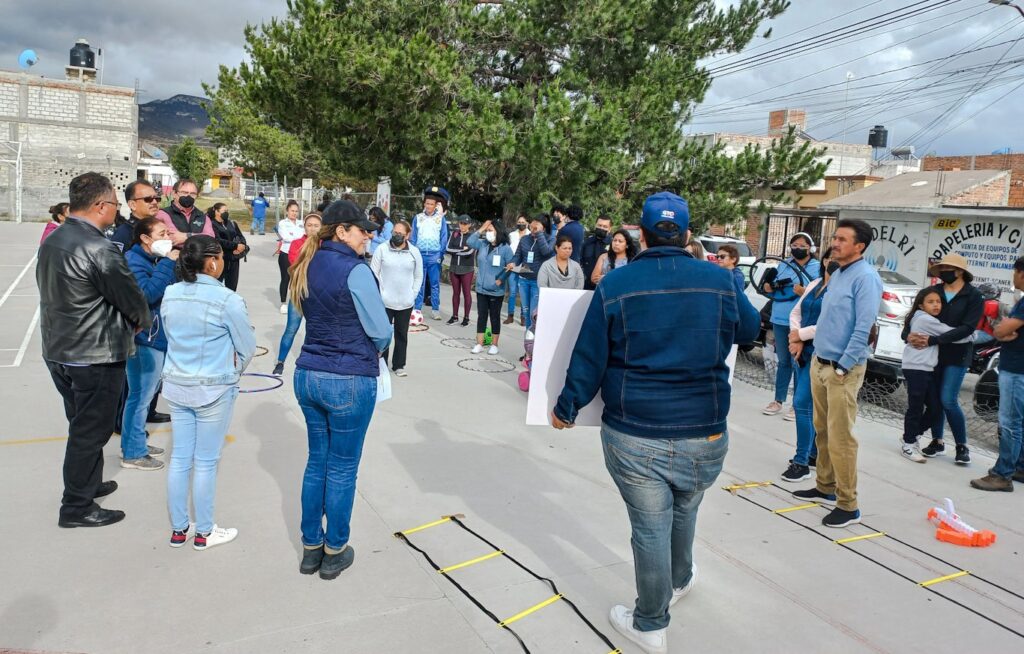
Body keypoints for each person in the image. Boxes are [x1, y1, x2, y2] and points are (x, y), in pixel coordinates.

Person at [551, 191, 759, 654]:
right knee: (685, 509)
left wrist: (566, 408)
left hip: (635, 432)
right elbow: (748, 331)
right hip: (705, 430)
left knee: (650, 527)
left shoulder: (618, 285)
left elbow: (590, 356)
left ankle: (650, 623)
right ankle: (679, 579)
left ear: (640, 235)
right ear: (687, 235)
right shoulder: (718, 280)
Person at [39, 172, 151, 528]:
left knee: (81, 422)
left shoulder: (54, 239)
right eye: (116, 205)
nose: (116, 212)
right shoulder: (99, 248)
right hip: (94, 353)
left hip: (59, 348)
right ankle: (76, 507)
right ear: (101, 206)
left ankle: (86, 483)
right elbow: (131, 297)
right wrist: (141, 320)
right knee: (91, 430)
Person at [288, 200, 392, 579]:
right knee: (343, 468)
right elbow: (381, 330)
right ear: (341, 231)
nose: (369, 234)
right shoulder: (355, 270)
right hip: (347, 377)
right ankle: (335, 549)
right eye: (361, 229)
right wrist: (376, 349)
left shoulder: (305, 263)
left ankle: (311, 546)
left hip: (309, 373)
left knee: (318, 462)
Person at [162, 235, 256, 550]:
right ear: (213, 261)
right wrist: (233, 371)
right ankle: (203, 531)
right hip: (213, 387)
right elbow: (247, 346)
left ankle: (179, 529)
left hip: (177, 384)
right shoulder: (227, 299)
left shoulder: (171, 293)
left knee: (180, 458)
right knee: (204, 462)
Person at [792, 219, 882, 529]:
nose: (835, 242)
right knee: (823, 430)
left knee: (842, 438)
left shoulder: (866, 278)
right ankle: (825, 487)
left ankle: (848, 504)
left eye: (842, 239)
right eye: (835, 237)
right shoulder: (838, 273)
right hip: (821, 362)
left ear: (860, 246)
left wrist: (844, 364)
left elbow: (863, 326)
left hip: (843, 369)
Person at [906, 253, 983, 465]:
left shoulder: (973, 296)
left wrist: (935, 340)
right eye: (941, 269)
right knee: (935, 402)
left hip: (957, 355)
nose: (943, 273)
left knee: (948, 399)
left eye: (948, 269)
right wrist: (909, 337)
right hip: (931, 356)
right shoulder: (933, 292)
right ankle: (937, 441)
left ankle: (961, 445)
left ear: (960, 271)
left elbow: (968, 328)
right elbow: (912, 320)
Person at [120, 217, 180, 472]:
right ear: (145, 238)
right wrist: (168, 262)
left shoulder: (149, 259)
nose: (167, 237)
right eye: (161, 233)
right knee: (140, 396)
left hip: (155, 336)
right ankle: (133, 452)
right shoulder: (135, 261)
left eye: (168, 232)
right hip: (145, 338)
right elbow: (146, 295)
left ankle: (135, 443)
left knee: (144, 393)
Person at [781, 247, 837, 482]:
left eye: (837, 257)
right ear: (823, 260)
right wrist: (796, 337)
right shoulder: (815, 284)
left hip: (821, 353)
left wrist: (799, 336)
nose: (832, 261)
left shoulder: (840, 290)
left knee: (802, 404)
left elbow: (828, 323)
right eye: (829, 257)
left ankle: (801, 461)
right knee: (809, 407)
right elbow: (795, 312)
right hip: (802, 351)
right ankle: (812, 454)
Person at [900, 288, 972, 464]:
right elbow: (950, 334)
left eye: (938, 302)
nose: (936, 305)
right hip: (917, 368)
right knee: (916, 407)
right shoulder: (925, 320)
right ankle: (909, 444)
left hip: (925, 368)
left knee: (936, 407)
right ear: (921, 305)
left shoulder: (923, 318)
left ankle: (911, 435)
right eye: (931, 302)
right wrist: (973, 334)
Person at [971, 256, 1024, 491]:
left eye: (1015, 271)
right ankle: (1019, 466)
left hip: (1016, 368)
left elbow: (1001, 329)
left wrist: (1004, 330)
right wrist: (1005, 332)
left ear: (1021, 273)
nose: (1013, 277)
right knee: (1019, 421)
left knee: (1010, 422)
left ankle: (1002, 474)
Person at [763, 233, 822, 420]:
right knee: (784, 362)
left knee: (799, 362)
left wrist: (804, 291)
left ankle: (797, 405)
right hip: (779, 318)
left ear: (811, 248)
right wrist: (770, 286)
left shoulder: (817, 267)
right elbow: (775, 286)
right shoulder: (784, 264)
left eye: (802, 245)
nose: (797, 247)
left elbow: (820, 293)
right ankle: (778, 400)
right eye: (794, 244)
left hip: (801, 324)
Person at [370, 219, 422, 377]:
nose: (397, 235)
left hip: (405, 302)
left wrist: (412, 294)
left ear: (407, 235)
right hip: (385, 301)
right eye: (395, 233)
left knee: (401, 334)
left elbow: (419, 276)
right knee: (383, 335)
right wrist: (380, 293)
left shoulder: (414, 252)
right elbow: (374, 273)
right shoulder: (382, 249)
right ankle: (381, 364)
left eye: (400, 233)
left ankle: (399, 365)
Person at [273, 213, 322, 377]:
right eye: (310, 225)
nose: (313, 228)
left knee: (313, 330)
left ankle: (309, 362)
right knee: (291, 329)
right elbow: (295, 266)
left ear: (321, 227)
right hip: (298, 293)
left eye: (316, 225)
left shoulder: (325, 245)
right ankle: (280, 362)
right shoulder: (296, 244)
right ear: (304, 226)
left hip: (317, 295)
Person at [467, 220, 514, 355]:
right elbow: (470, 241)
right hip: (481, 288)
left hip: (495, 290)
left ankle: (494, 344)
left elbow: (510, 267)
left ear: (498, 232)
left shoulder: (505, 248)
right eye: (487, 230)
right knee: (482, 316)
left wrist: (501, 279)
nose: (489, 233)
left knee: (494, 316)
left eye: (491, 230)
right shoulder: (483, 244)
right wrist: (482, 228)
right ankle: (479, 344)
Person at [509, 213, 554, 335]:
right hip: (523, 280)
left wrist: (539, 235)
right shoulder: (525, 239)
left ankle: (535, 341)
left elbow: (546, 252)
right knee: (526, 311)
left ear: (543, 228)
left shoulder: (550, 239)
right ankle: (529, 342)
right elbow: (517, 256)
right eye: (532, 227)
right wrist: (512, 263)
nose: (532, 231)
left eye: (536, 228)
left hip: (538, 282)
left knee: (534, 314)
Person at [411, 185, 450, 320]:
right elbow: (413, 237)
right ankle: (417, 309)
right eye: (427, 203)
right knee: (419, 283)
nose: (429, 206)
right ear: (424, 204)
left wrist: (440, 254)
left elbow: (444, 237)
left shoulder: (440, 219)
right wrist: (414, 252)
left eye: (431, 204)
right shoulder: (418, 217)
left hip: (434, 255)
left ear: (435, 205)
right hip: (420, 254)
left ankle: (435, 309)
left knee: (434, 284)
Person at [157, 178, 214, 246]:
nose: (188, 196)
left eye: (193, 193)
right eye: (184, 192)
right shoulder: (162, 214)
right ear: (174, 194)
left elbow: (210, 239)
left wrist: (187, 236)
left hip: (199, 255)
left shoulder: (203, 217)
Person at [208, 203, 249, 292]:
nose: (226, 213)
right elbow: (218, 240)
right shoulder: (211, 224)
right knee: (216, 286)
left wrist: (241, 246)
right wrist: (235, 246)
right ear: (216, 211)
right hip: (221, 259)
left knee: (232, 287)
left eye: (227, 211)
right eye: (224, 211)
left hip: (234, 259)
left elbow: (240, 236)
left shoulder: (232, 223)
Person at [110, 180, 161, 252]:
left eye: (157, 198)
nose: (155, 202)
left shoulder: (160, 228)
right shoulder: (124, 234)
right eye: (148, 199)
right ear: (132, 205)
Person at [276, 200, 305, 314]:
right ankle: (283, 303)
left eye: (296, 211)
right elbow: (286, 237)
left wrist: (295, 237)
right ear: (287, 211)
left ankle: (296, 301)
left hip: (299, 255)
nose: (294, 213)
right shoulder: (283, 223)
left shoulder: (301, 223)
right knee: (285, 278)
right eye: (292, 211)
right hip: (286, 254)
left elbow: (304, 236)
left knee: (298, 279)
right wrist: (298, 239)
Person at [445, 215, 476, 326]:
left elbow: (469, 252)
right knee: (455, 293)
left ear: (469, 225)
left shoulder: (472, 236)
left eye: (465, 224)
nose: (463, 225)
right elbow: (448, 248)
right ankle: (455, 316)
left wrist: (456, 251)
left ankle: (466, 317)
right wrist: (461, 249)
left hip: (467, 268)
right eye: (461, 223)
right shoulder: (454, 234)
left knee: (466, 293)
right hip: (454, 267)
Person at [504, 213, 529, 324]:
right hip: (512, 265)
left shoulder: (529, 235)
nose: (521, 224)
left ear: (527, 223)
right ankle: (510, 315)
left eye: (523, 222)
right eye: (519, 222)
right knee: (512, 292)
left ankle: (523, 316)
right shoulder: (512, 235)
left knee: (523, 293)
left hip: (524, 267)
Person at [581, 215, 612, 291]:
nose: (601, 228)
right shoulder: (587, 242)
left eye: (605, 226)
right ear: (595, 225)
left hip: (606, 286)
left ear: (610, 229)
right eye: (599, 225)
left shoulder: (613, 245)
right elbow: (581, 261)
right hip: (586, 286)